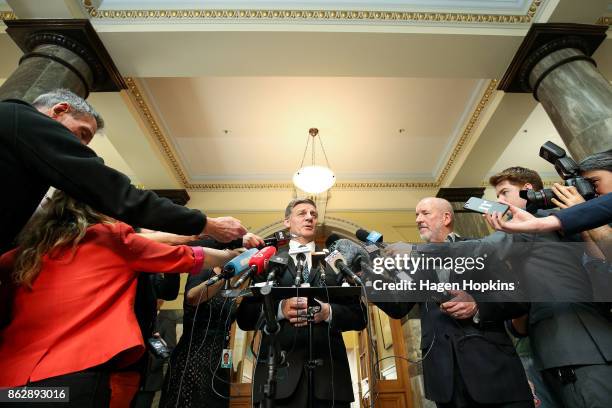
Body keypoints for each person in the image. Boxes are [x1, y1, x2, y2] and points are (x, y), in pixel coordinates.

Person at [0, 191, 241, 406]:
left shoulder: (18, 257)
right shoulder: (110, 238)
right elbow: (191, 257)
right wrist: (234, 257)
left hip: (12, 382)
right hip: (78, 371)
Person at [0, 89, 247, 253]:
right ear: (60, 110)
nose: (82, 146)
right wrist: (206, 224)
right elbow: (115, 192)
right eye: (83, 132)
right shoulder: (23, 118)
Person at [455, 167, 612, 408]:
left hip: (576, 347)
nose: (499, 201)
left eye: (505, 192)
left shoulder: (541, 219)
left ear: (528, 190)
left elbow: (482, 252)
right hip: (547, 350)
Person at [384, 198, 533, 408]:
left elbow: (518, 300)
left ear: (446, 217)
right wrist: (367, 276)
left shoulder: (480, 248)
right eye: (416, 215)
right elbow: (397, 307)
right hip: (445, 384)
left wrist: (477, 305)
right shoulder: (413, 264)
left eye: (425, 213)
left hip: (494, 374)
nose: (418, 219)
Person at [236, 198, 367, 408]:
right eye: (302, 213)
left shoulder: (336, 262)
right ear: (287, 221)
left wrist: (328, 312)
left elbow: (359, 317)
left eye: (313, 214)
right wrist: (279, 309)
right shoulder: (268, 261)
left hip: (330, 380)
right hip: (278, 379)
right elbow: (245, 317)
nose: (309, 217)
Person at [160, 233, 265, 408]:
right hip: (195, 355)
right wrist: (226, 273)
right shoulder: (206, 271)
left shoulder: (238, 282)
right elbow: (192, 297)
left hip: (221, 361)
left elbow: (243, 319)